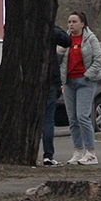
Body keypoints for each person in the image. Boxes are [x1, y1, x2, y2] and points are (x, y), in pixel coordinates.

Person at [60, 10, 101, 165]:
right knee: (72, 118)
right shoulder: (65, 39)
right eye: (69, 22)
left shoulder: (90, 39)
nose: (71, 25)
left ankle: (91, 152)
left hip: (85, 82)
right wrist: (60, 52)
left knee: (82, 116)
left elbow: (99, 59)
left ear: (82, 23)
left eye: (74, 21)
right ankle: (78, 151)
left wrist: (87, 74)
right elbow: (58, 59)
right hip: (69, 82)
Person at [40, 23, 70, 166]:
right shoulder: (50, 30)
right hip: (49, 80)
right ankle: (48, 155)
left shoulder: (24, 29)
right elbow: (66, 41)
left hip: (29, 82)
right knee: (48, 120)